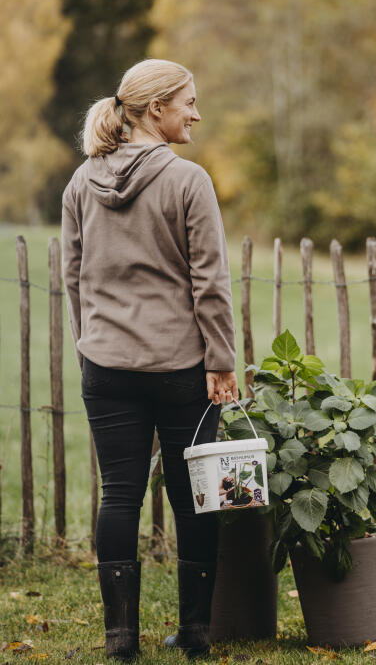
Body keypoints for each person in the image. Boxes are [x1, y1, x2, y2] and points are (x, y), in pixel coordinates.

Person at [61, 58, 238, 660]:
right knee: (193, 497)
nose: (196, 114)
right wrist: (221, 360)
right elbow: (209, 281)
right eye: (189, 101)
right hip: (181, 368)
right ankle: (195, 635)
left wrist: (91, 345)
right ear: (156, 108)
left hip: (105, 366)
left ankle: (121, 641)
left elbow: (74, 279)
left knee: (119, 494)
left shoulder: (80, 183)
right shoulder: (189, 181)